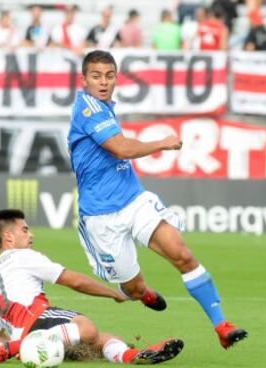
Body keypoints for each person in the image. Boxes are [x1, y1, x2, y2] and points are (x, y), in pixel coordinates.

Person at [67, 50, 248, 350]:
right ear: (83, 79)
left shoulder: (105, 106)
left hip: (134, 199)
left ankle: (221, 325)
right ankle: (143, 292)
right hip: (101, 217)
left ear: (116, 79)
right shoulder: (87, 109)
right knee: (132, 287)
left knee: (182, 254)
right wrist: (161, 143)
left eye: (109, 76)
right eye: (96, 76)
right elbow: (121, 148)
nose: (103, 82)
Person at [0, 209, 184, 365]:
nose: (31, 235)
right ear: (8, 237)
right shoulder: (22, 256)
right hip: (36, 322)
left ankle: (134, 356)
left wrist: (6, 344)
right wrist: (113, 293)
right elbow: (74, 281)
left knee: (105, 340)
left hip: (31, 335)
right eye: (25, 230)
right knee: (87, 328)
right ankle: (18, 347)